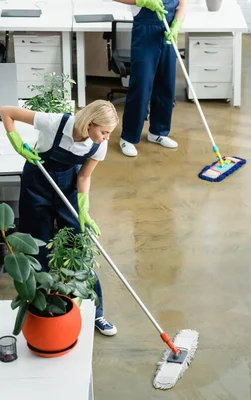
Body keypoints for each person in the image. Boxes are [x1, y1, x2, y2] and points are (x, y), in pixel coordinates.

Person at [0, 100, 120, 336]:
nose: (106, 138)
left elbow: (84, 176)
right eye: (104, 132)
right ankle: (40, 308)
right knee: (38, 245)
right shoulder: (55, 122)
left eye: (109, 134)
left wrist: (84, 209)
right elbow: (6, 111)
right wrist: (16, 142)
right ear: (90, 123)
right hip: (37, 187)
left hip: (68, 188)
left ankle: (96, 313)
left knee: (78, 246)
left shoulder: (98, 146)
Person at [114, 0, 187, 157]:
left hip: (168, 33)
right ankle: (128, 137)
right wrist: (142, 1)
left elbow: (182, 5)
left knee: (166, 86)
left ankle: (158, 132)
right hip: (145, 33)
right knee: (141, 87)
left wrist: (177, 24)